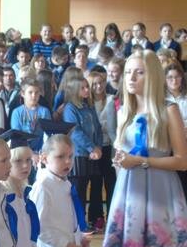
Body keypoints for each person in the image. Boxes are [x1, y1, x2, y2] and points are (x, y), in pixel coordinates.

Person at [87, 50, 187, 247]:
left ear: (152, 75)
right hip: (129, 196)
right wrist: (121, 161)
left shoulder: (169, 110)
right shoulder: (124, 111)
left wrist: (140, 161)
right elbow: (122, 156)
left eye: (139, 72)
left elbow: (182, 160)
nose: (131, 77)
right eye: (129, 71)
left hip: (158, 197)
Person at [62, 77, 103, 224]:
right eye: (83, 88)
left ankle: (95, 218)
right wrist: (92, 147)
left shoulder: (89, 106)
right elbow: (75, 132)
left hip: (94, 153)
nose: (87, 90)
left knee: (96, 186)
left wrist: (98, 147)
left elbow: (98, 128)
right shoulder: (70, 108)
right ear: (75, 90)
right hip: (79, 154)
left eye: (87, 87)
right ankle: (79, 223)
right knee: (79, 190)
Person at [87, 70, 117, 232]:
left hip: (108, 146)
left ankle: (113, 217)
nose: (99, 86)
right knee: (96, 183)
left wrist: (116, 149)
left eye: (101, 83)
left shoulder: (111, 100)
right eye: (95, 84)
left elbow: (112, 128)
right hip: (92, 147)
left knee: (110, 183)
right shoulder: (87, 103)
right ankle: (96, 217)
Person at [10, 78, 52, 150]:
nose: (34, 95)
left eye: (36, 92)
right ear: (23, 94)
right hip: (22, 150)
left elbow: (48, 134)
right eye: (30, 92)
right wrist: (30, 153)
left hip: (41, 150)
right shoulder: (17, 112)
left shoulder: (44, 111)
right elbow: (17, 135)